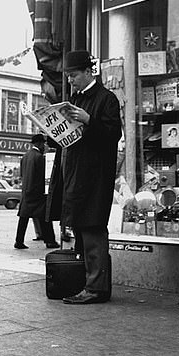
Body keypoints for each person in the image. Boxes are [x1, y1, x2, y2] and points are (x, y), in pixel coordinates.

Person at [59, 50, 122, 304]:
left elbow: (112, 135)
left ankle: (96, 287)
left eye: (73, 75)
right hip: (76, 171)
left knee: (93, 227)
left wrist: (88, 120)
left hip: (95, 175)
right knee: (81, 228)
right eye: (67, 76)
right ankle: (87, 282)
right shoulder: (74, 98)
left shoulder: (106, 99)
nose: (70, 81)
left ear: (88, 72)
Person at [15, 134, 59, 249]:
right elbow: (42, 177)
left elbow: (22, 175)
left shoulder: (25, 156)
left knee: (23, 218)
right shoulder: (39, 157)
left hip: (26, 192)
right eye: (43, 143)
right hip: (37, 193)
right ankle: (50, 241)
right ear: (39, 143)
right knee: (45, 217)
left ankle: (18, 241)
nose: (45, 145)